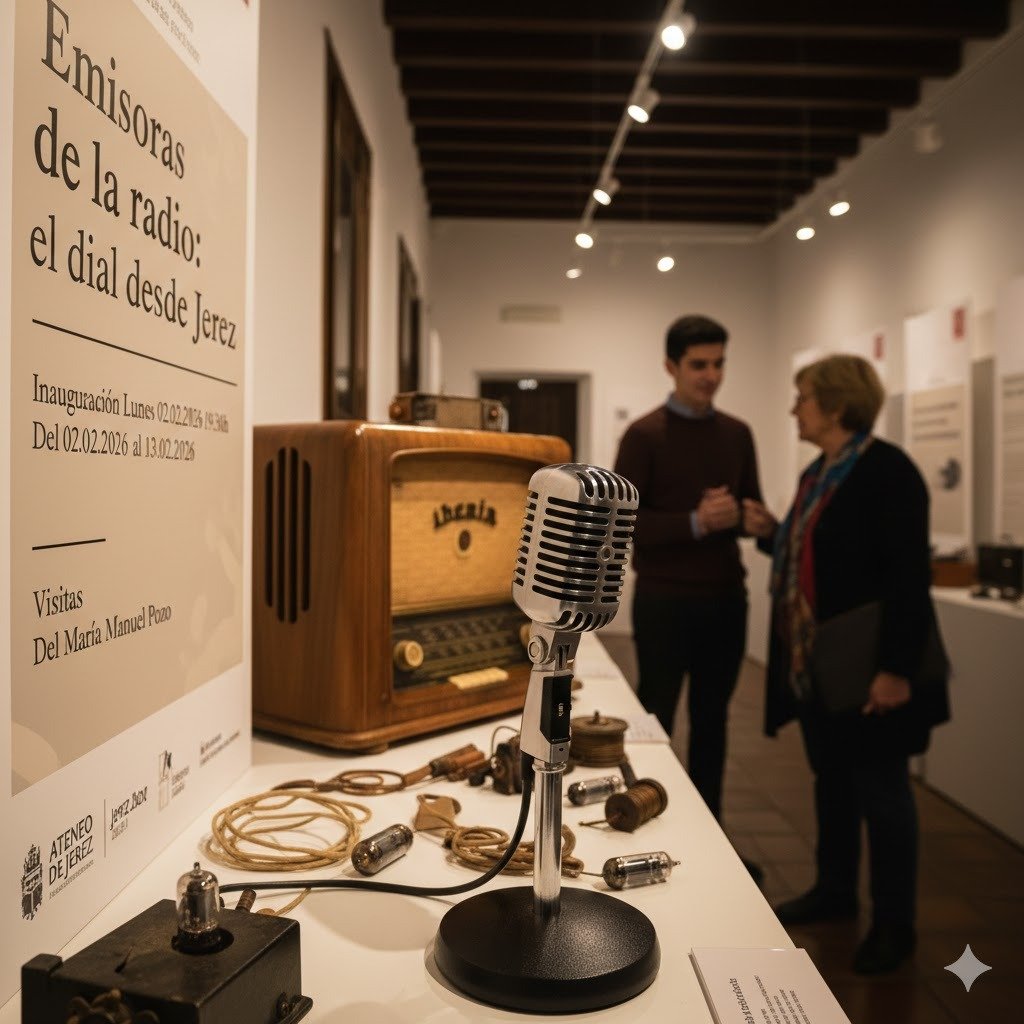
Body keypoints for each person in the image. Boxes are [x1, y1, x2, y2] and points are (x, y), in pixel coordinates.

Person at [742, 354, 949, 975]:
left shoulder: (888, 472)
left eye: (802, 397)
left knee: (883, 794)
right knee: (832, 781)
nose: (793, 408)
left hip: (868, 668)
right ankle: (834, 891)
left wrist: (894, 671)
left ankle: (894, 924)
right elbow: (819, 553)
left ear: (835, 406)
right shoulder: (821, 473)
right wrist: (771, 532)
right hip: (822, 666)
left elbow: (909, 579)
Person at [613, 315, 763, 832]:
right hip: (663, 600)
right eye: (699, 365)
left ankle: (711, 833)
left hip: (725, 599)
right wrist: (697, 522)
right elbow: (624, 525)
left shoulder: (738, 435)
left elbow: (750, 509)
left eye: (719, 364)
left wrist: (753, 520)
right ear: (671, 366)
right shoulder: (644, 435)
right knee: (653, 719)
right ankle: (641, 820)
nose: (711, 375)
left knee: (713, 724)